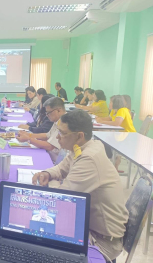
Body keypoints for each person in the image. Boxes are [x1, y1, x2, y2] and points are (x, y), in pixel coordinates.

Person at [32, 110, 128, 262]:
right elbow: (61, 168)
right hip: (88, 227)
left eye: (62, 133)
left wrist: (52, 183)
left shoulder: (89, 158)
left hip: (100, 241)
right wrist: (47, 174)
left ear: (79, 135)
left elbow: (62, 199)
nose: (57, 137)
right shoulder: (82, 146)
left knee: (39, 243)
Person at [17, 97, 66, 163]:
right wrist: (29, 135)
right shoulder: (57, 120)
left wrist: (28, 139)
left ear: (58, 110)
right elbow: (47, 135)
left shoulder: (64, 123)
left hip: (52, 160)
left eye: (49, 112)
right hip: (49, 154)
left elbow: (50, 146)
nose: (47, 115)